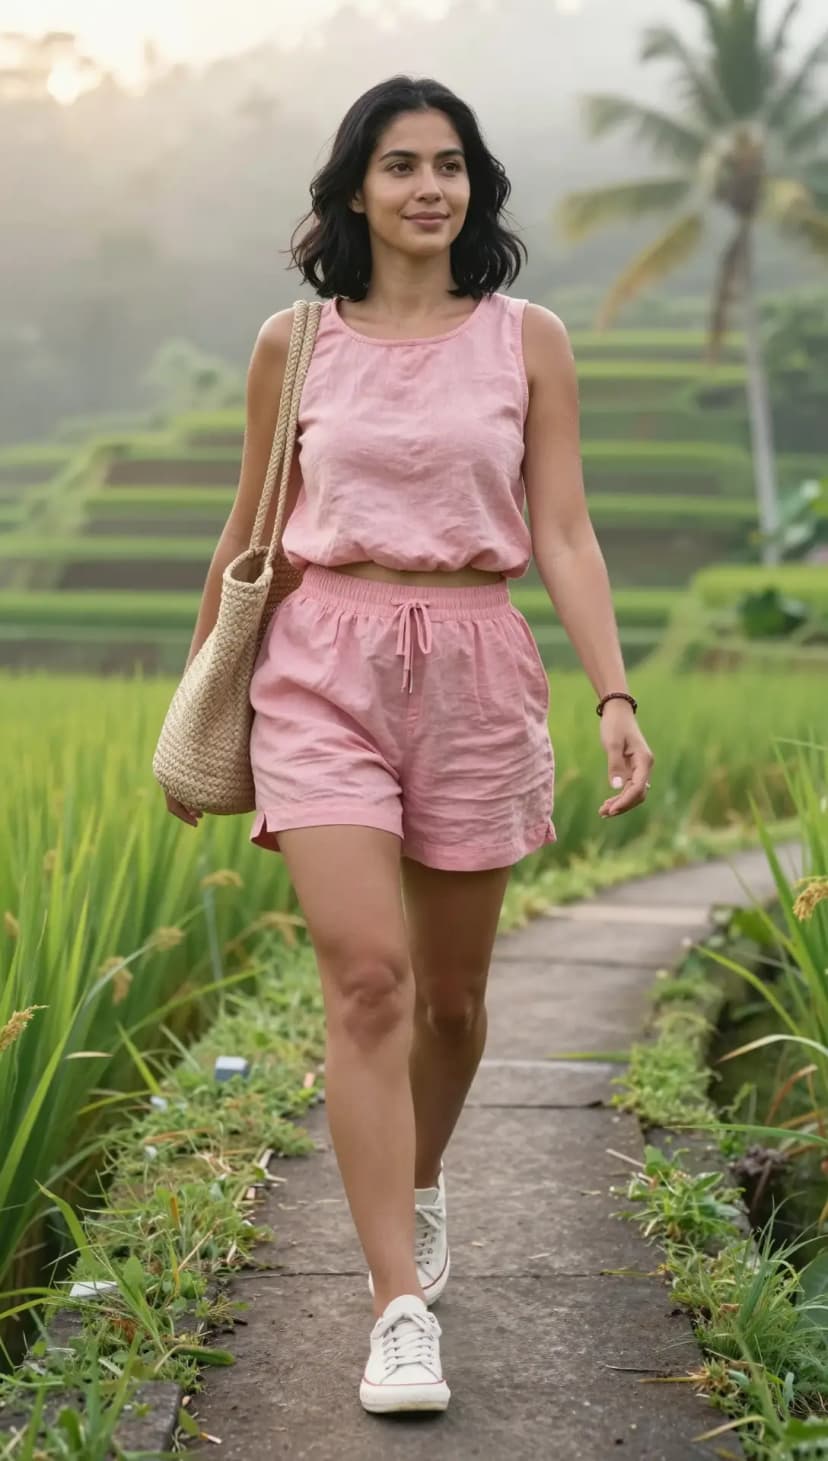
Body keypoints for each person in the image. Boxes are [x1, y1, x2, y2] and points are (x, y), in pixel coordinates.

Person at [165, 74, 654, 1417]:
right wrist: (194, 709)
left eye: (449, 165)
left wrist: (613, 693)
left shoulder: (529, 340)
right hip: (322, 664)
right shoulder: (294, 343)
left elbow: (563, 529)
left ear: (475, 187)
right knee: (369, 981)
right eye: (400, 165)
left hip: (477, 666)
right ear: (355, 190)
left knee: (449, 999)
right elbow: (244, 528)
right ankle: (394, 1309)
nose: (428, 186)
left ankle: (419, 1179)